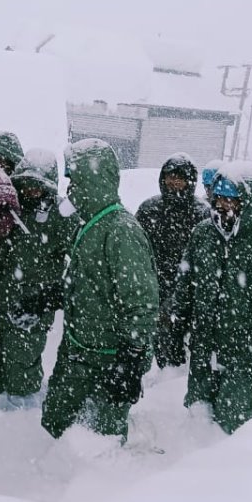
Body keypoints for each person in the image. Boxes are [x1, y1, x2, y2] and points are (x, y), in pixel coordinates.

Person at [165, 172, 252, 433]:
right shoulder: (203, 234)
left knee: (232, 419)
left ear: (248, 203)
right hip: (204, 344)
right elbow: (185, 284)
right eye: (220, 199)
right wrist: (177, 324)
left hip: (246, 348)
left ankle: (231, 468)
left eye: (233, 201)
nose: (224, 206)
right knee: (198, 414)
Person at [41, 139, 158, 442]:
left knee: (98, 443)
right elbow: (87, 283)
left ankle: (101, 488)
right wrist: (48, 296)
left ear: (94, 179)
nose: (70, 189)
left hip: (109, 361)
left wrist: (130, 361)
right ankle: (50, 486)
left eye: (75, 180)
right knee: (57, 425)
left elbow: (142, 304)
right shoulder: (91, 224)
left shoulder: (121, 230)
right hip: (78, 353)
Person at [0, 149, 71, 405]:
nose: (29, 192)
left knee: (22, 361)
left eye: (36, 187)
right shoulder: (2, 208)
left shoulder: (61, 216)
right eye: (24, 185)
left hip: (30, 306)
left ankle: (21, 412)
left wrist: (52, 294)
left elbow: (80, 260)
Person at [135, 154, 209, 365]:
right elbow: (137, 247)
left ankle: (170, 379)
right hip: (152, 283)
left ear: (190, 181)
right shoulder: (149, 208)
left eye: (180, 177)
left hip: (186, 287)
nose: (174, 182)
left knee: (177, 339)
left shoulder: (201, 213)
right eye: (169, 176)